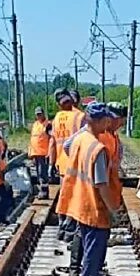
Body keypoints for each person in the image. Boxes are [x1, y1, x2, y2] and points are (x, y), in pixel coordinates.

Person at [64, 102, 120, 276]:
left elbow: (66, 146)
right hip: (94, 205)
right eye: (107, 119)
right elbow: (101, 184)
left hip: (80, 199)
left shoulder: (80, 140)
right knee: (95, 247)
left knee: (88, 242)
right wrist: (113, 207)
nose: (109, 122)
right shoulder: (97, 148)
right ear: (102, 120)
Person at [51, 88, 86, 241]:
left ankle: (61, 226)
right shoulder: (80, 117)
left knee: (64, 195)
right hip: (76, 163)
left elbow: (53, 142)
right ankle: (70, 227)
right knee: (76, 196)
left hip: (61, 163)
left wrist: (52, 163)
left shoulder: (57, 118)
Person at [29, 107, 52, 198]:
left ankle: (44, 192)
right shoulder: (35, 125)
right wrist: (30, 152)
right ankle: (41, 190)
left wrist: (50, 152)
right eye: (37, 114)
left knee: (43, 172)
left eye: (40, 114)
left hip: (44, 153)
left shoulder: (48, 125)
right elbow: (32, 138)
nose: (38, 116)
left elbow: (51, 139)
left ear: (43, 114)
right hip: (36, 153)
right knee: (38, 172)